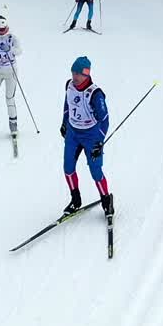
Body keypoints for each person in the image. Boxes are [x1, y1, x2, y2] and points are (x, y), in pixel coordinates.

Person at [60, 55, 113, 218]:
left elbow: (104, 120)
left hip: (91, 136)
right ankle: (75, 200)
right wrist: (64, 122)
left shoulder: (95, 94)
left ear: (87, 74)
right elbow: (68, 104)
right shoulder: (69, 85)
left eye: (78, 74)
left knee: (95, 171)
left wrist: (100, 142)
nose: (74, 77)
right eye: (73, 73)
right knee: (68, 168)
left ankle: (106, 201)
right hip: (73, 133)